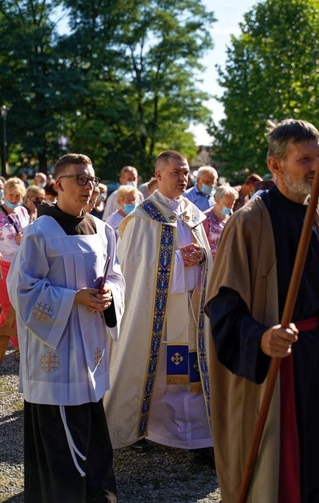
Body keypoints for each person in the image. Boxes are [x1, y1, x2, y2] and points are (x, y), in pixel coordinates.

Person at [205, 119, 319, 502]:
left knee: (318, 455)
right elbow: (221, 308)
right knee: (281, 468)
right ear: (275, 165)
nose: (316, 167)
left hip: (318, 358)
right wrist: (261, 338)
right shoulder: (247, 223)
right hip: (277, 366)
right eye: (304, 159)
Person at [7, 153, 125, 503]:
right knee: (63, 440)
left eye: (92, 179)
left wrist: (110, 295)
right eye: (80, 179)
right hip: (55, 349)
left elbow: (116, 273)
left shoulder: (104, 230)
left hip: (90, 346)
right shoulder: (39, 232)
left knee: (91, 428)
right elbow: (22, 289)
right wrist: (73, 298)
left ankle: (96, 494)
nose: (89, 188)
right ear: (58, 185)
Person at [104, 150, 214, 465]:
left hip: (191, 309)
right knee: (159, 372)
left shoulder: (192, 212)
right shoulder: (143, 216)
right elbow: (134, 267)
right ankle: (144, 429)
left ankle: (197, 435)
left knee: (192, 372)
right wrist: (181, 259)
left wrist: (201, 257)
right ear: (159, 174)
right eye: (177, 172)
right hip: (156, 313)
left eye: (186, 172)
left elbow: (206, 253)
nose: (184, 178)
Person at [0, 178, 30, 358]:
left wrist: (23, 240)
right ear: (5, 194)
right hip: (3, 263)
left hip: (22, 262)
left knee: (20, 304)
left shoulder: (24, 211)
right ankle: (17, 345)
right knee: (7, 306)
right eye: (11, 194)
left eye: (17, 195)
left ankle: (17, 342)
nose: (14, 197)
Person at [202, 184, 238, 260]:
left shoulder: (232, 218)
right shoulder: (206, 218)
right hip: (210, 265)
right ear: (217, 200)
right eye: (227, 204)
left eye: (232, 204)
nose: (230, 207)